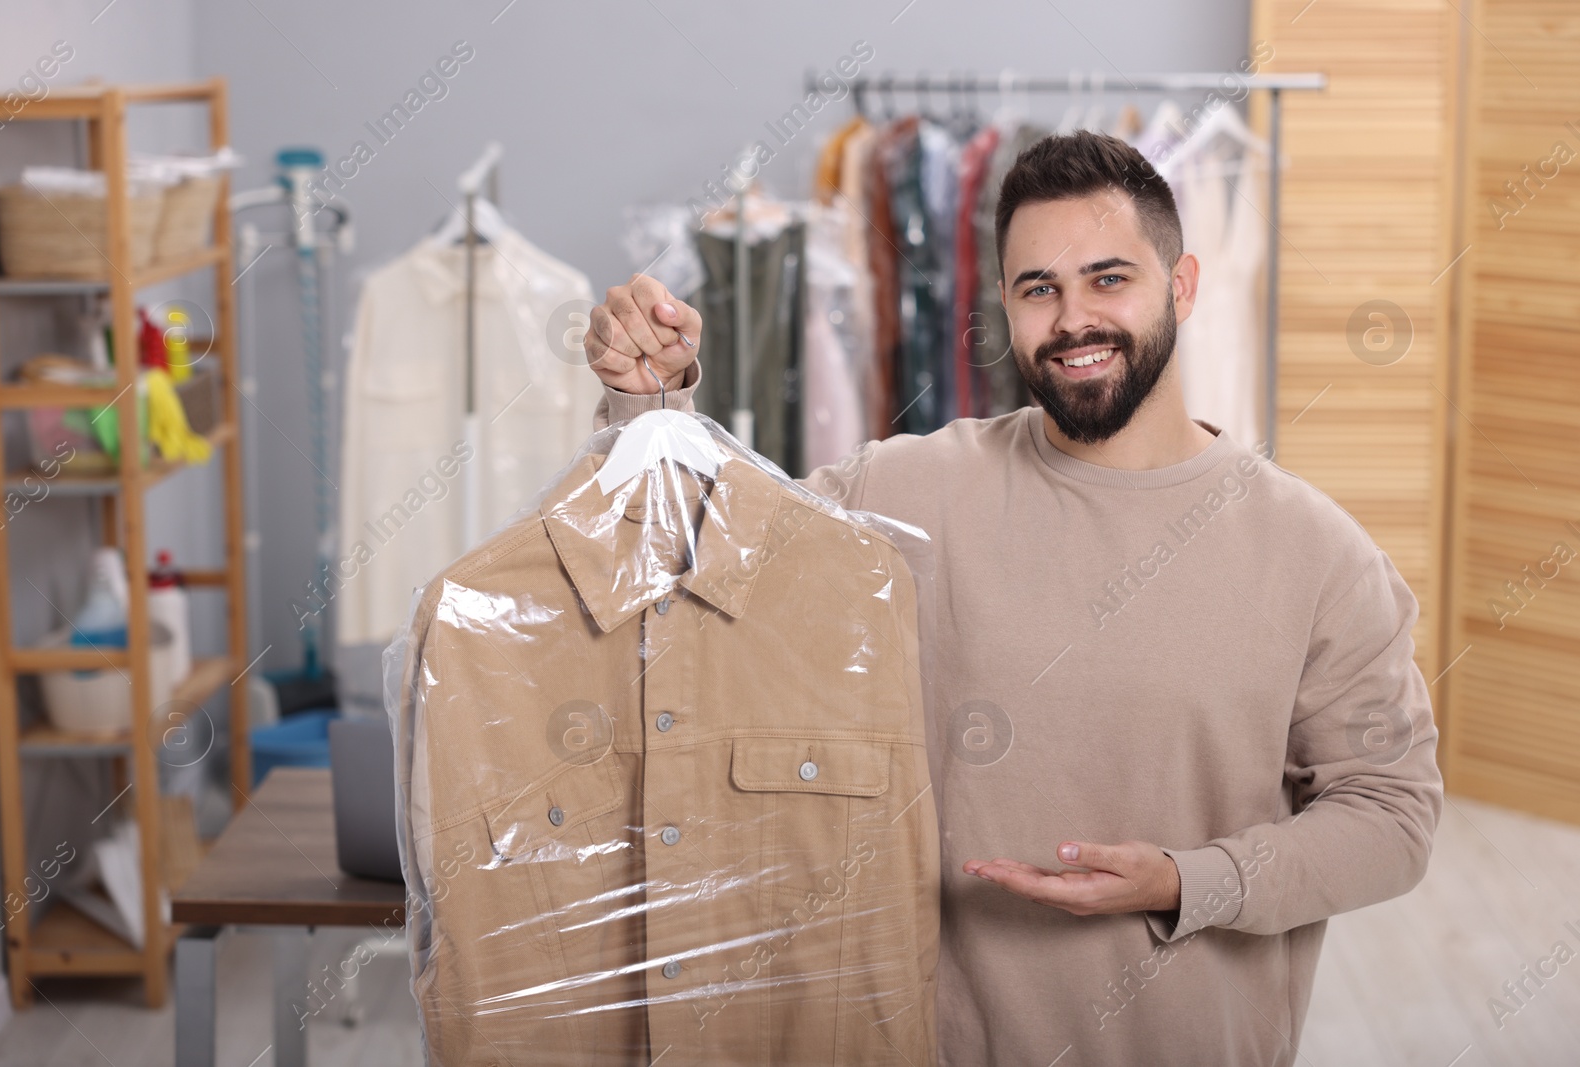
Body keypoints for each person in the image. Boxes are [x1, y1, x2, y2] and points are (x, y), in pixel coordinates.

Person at [582, 130, 1442, 1066]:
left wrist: (1188, 882)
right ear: (1004, 304)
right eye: (1041, 289)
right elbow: (683, 562)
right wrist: (648, 406)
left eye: (1109, 279)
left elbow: (1392, 817)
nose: (1074, 320)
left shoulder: (1318, 555)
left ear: (1184, 286)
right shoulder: (903, 490)